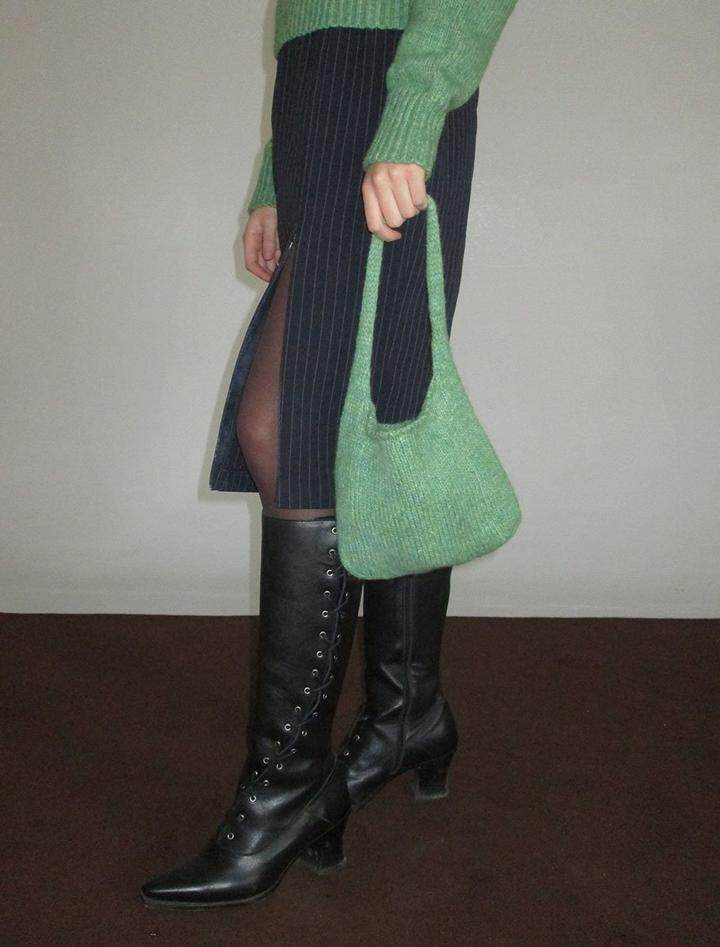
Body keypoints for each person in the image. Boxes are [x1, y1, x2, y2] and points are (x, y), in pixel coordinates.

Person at [141, 0, 519, 909]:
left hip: (386, 83)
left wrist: (413, 112)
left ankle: (290, 786)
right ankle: (406, 715)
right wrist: (276, 175)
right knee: (371, 410)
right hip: (319, 103)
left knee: (289, 426)